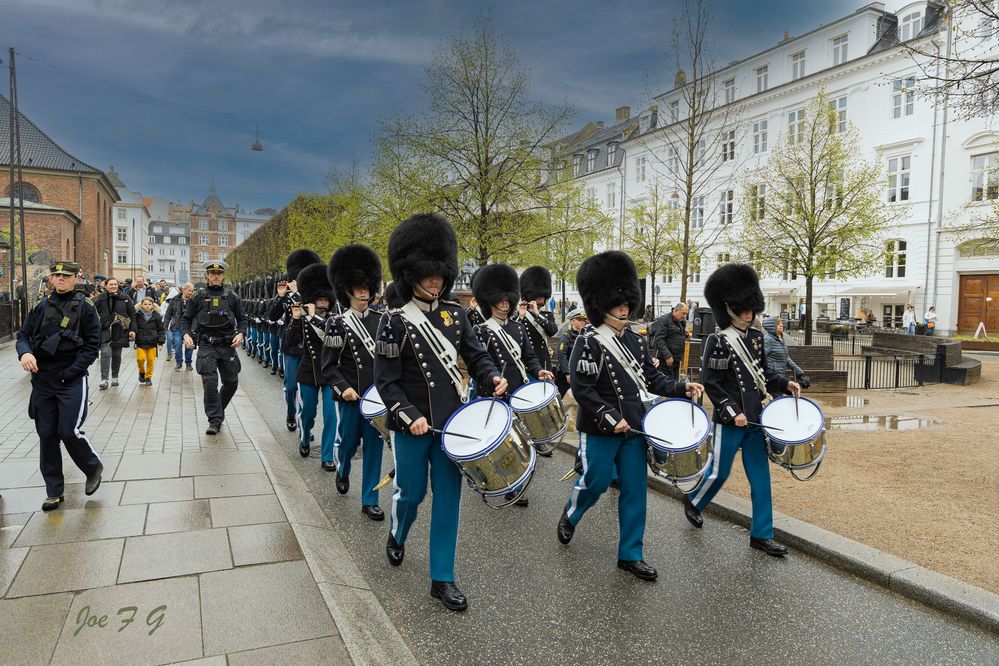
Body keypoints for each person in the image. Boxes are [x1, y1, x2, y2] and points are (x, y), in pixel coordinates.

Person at [375, 213, 505, 612]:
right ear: (410, 273)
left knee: (448, 499)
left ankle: (442, 579)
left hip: (450, 425)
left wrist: (492, 375)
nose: (434, 281)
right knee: (412, 494)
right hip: (412, 426)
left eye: (439, 275)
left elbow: (476, 356)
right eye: (427, 274)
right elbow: (386, 381)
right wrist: (407, 414)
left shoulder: (457, 314)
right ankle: (398, 532)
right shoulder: (393, 323)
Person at [556, 251, 703, 582]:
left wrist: (682, 387)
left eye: (626, 304)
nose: (624, 310)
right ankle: (571, 513)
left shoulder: (637, 344)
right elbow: (583, 390)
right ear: (603, 303)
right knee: (593, 484)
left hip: (634, 428)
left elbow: (653, 381)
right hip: (600, 428)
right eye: (618, 305)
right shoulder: (588, 342)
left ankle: (630, 554)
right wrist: (610, 418)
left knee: (635, 489)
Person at [682, 263, 801, 557]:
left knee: (761, 478)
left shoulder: (758, 338)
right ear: (731, 308)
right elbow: (711, 382)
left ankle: (761, 534)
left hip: (755, 418)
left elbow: (763, 376)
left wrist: (785, 384)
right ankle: (694, 501)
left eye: (752, 309)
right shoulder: (717, 341)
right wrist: (732, 410)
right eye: (744, 309)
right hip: (729, 418)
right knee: (719, 473)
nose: (749, 313)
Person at [15, 261, 104, 511]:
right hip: (43, 379)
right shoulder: (41, 306)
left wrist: (70, 373)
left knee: (68, 430)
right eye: (56, 275)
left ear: (75, 278)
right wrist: (25, 354)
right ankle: (54, 491)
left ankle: (92, 466)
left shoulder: (86, 308)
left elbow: (92, 346)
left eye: (66, 275)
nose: (61, 279)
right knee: (47, 436)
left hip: (71, 378)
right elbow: (23, 335)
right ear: (51, 279)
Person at [472, 263, 554, 503]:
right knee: (501, 443)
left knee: (520, 439)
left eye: (508, 299)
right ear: (492, 300)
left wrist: (538, 372)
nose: (505, 303)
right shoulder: (482, 331)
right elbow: (479, 363)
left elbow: (529, 357)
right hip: (495, 392)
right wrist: (490, 381)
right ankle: (505, 483)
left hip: (518, 390)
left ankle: (515, 481)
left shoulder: (518, 329)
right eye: (501, 299)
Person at [322, 244, 386, 520]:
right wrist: (343, 387)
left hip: (376, 399)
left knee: (374, 449)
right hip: (350, 397)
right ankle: (343, 467)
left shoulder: (383, 321)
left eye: (366, 287)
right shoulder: (337, 323)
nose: (363, 292)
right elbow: (328, 367)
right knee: (348, 443)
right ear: (347, 290)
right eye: (358, 287)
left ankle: (369, 498)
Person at [181, 261, 247, 435]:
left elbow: (243, 320)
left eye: (219, 273)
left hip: (227, 346)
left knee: (231, 383)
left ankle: (218, 409)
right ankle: (214, 421)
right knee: (210, 384)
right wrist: (186, 335)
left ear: (223, 276)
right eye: (212, 273)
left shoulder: (232, 296)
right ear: (207, 276)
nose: (216, 276)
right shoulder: (198, 296)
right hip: (206, 345)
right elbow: (186, 319)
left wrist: (241, 334)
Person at [286, 263, 338, 466]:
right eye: (319, 300)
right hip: (308, 371)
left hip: (330, 373)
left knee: (331, 416)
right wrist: (296, 318)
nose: (323, 303)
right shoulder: (304, 319)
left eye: (325, 300)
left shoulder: (335, 320)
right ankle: (305, 435)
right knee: (308, 413)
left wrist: (313, 316)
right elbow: (290, 341)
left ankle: (327, 457)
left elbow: (331, 336)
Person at [278, 250, 321, 431]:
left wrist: (297, 294)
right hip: (292, 345)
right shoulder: (287, 295)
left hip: (310, 347)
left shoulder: (313, 294)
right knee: (290, 386)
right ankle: (290, 412)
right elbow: (271, 316)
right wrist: (281, 297)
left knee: (306, 390)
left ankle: (305, 425)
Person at [514, 266, 559, 376]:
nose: (542, 298)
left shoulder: (546, 315)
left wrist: (537, 315)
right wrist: (521, 316)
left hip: (542, 362)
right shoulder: (519, 314)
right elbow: (513, 333)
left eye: (543, 296)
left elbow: (552, 331)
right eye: (539, 295)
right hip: (525, 362)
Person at [92, 277, 136, 389]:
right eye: (111, 284)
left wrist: (132, 329)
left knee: (116, 354)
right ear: (105, 286)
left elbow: (132, 314)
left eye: (115, 284)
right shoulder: (100, 298)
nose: (113, 286)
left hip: (119, 330)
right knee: (105, 353)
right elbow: (90, 311)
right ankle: (104, 379)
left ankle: (115, 376)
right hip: (104, 330)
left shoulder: (125, 298)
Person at [762, 316, 811, 388]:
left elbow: (787, 359)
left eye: (781, 323)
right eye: (778, 324)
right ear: (771, 326)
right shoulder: (767, 340)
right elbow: (761, 359)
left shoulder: (779, 339)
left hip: (779, 377)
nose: (781, 325)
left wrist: (800, 374)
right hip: (772, 379)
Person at [555, 307, 588, 397]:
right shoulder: (566, 337)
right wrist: (567, 373)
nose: (582, 322)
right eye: (579, 320)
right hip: (566, 375)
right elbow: (561, 355)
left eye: (584, 320)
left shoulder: (585, 336)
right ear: (572, 321)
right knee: (559, 397)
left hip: (581, 373)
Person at [650, 302, 689, 379]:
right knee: (667, 382)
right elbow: (659, 340)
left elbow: (678, 335)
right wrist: (668, 356)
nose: (685, 316)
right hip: (665, 359)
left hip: (676, 358)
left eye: (686, 314)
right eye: (683, 313)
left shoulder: (681, 321)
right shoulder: (664, 320)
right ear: (676, 310)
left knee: (675, 382)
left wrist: (685, 334)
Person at [134, 296, 166, 385]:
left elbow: (161, 330)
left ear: (153, 306)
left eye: (149, 304)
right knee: (140, 359)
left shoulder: (157, 317)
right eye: (145, 304)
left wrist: (161, 341)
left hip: (152, 342)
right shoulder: (137, 315)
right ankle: (141, 372)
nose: (147, 306)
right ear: (141, 305)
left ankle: (148, 377)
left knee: (150, 360)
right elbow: (132, 317)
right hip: (140, 341)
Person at [165, 283, 195, 370]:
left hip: (189, 327)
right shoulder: (174, 300)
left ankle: (188, 363)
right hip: (176, 326)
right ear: (183, 290)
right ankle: (179, 362)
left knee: (189, 345)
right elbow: (168, 314)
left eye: (192, 291)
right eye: (189, 290)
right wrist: (166, 327)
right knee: (177, 344)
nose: (190, 293)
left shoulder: (193, 301)